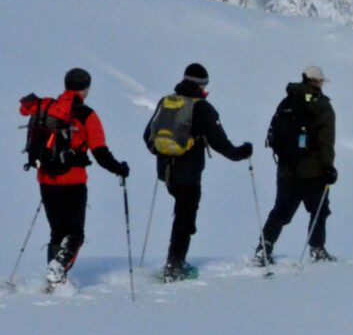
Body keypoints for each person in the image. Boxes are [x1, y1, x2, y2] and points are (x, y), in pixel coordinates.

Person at [146, 61, 252, 280]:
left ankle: (174, 261)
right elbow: (221, 144)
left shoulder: (165, 102)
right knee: (185, 219)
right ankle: (174, 266)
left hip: (165, 173)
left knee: (182, 215)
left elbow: (148, 136)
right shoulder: (202, 107)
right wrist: (243, 152)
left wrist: (164, 154)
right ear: (203, 86)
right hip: (189, 174)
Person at [34, 68, 129, 289]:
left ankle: (54, 279)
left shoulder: (49, 109)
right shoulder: (87, 114)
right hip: (73, 181)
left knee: (57, 231)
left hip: (46, 179)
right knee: (75, 233)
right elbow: (100, 152)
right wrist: (120, 168)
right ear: (86, 89)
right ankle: (57, 271)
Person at [255, 65, 337, 266]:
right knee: (319, 210)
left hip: (286, 168)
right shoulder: (321, 105)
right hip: (313, 170)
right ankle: (317, 250)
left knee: (281, 211)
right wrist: (329, 167)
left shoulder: (287, 101)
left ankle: (263, 249)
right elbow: (326, 141)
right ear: (317, 82)